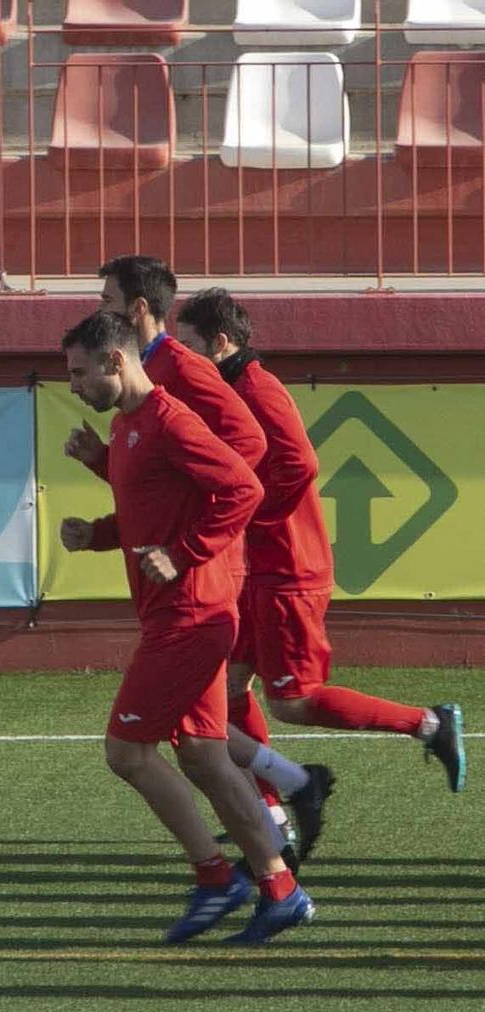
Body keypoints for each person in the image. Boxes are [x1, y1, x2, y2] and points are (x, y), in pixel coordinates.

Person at [57, 310, 313, 944]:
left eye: (79, 372)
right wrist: (99, 535)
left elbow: (242, 489)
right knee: (203, 753)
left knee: (126, 752)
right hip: (182, 613)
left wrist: (188, 554)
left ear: (116, 360)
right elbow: (157, 511)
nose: (74, 385)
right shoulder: (130, 429)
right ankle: (280, 891)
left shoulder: (169, 419)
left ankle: (214, 878)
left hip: (192, 615)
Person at [174, 288, 463, 816]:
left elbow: (300, 465)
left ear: (219, 342)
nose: (179, 353)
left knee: (293, 702)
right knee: (226, 686)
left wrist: (248, 516)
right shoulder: (229, 388)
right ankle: (271, 811)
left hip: (287, 568)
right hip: (256, 568)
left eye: (187, 344)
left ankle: (429, 724)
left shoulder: (258, 389)